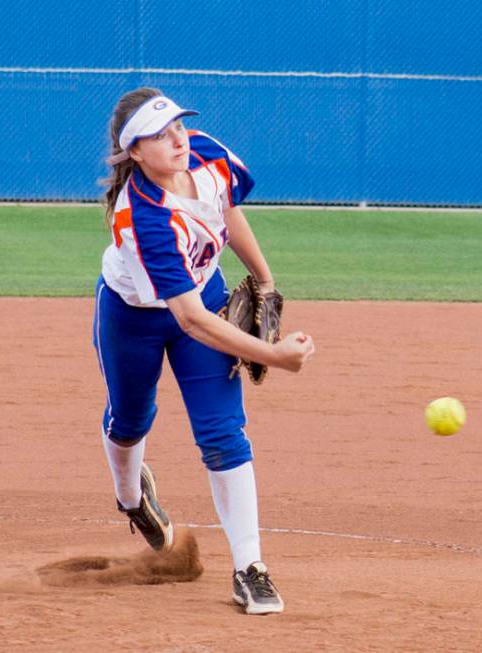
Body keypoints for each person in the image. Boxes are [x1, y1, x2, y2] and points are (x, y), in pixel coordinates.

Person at [94, 87, 315, 615]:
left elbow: (226, 210)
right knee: (130, 419)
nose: (176, 138)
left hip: (204, 294)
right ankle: (132, 498)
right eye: (158, 134)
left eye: (177, 125)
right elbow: (190, 320)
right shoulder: (143, 218)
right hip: (134, 318)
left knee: (222, 431)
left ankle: (250, 568)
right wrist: (274, 356)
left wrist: (265, 279)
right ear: (133, 154)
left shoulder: (206, 152)